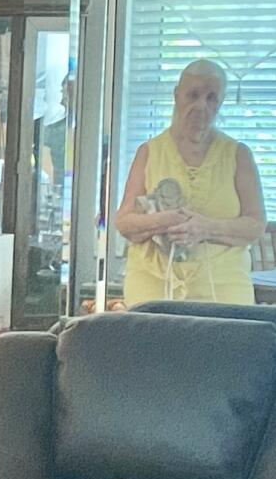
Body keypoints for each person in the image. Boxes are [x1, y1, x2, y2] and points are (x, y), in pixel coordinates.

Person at [114, 58, 266, 304]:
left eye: (211, 98)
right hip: (153, 284)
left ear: (221, 102)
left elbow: (256, 225)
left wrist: (206, 227)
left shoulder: (239, 155)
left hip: (223, 286)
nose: (200, 106)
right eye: (192, 95)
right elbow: (124, 222)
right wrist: (161, 222)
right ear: (177, 95)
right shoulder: (149, 152)